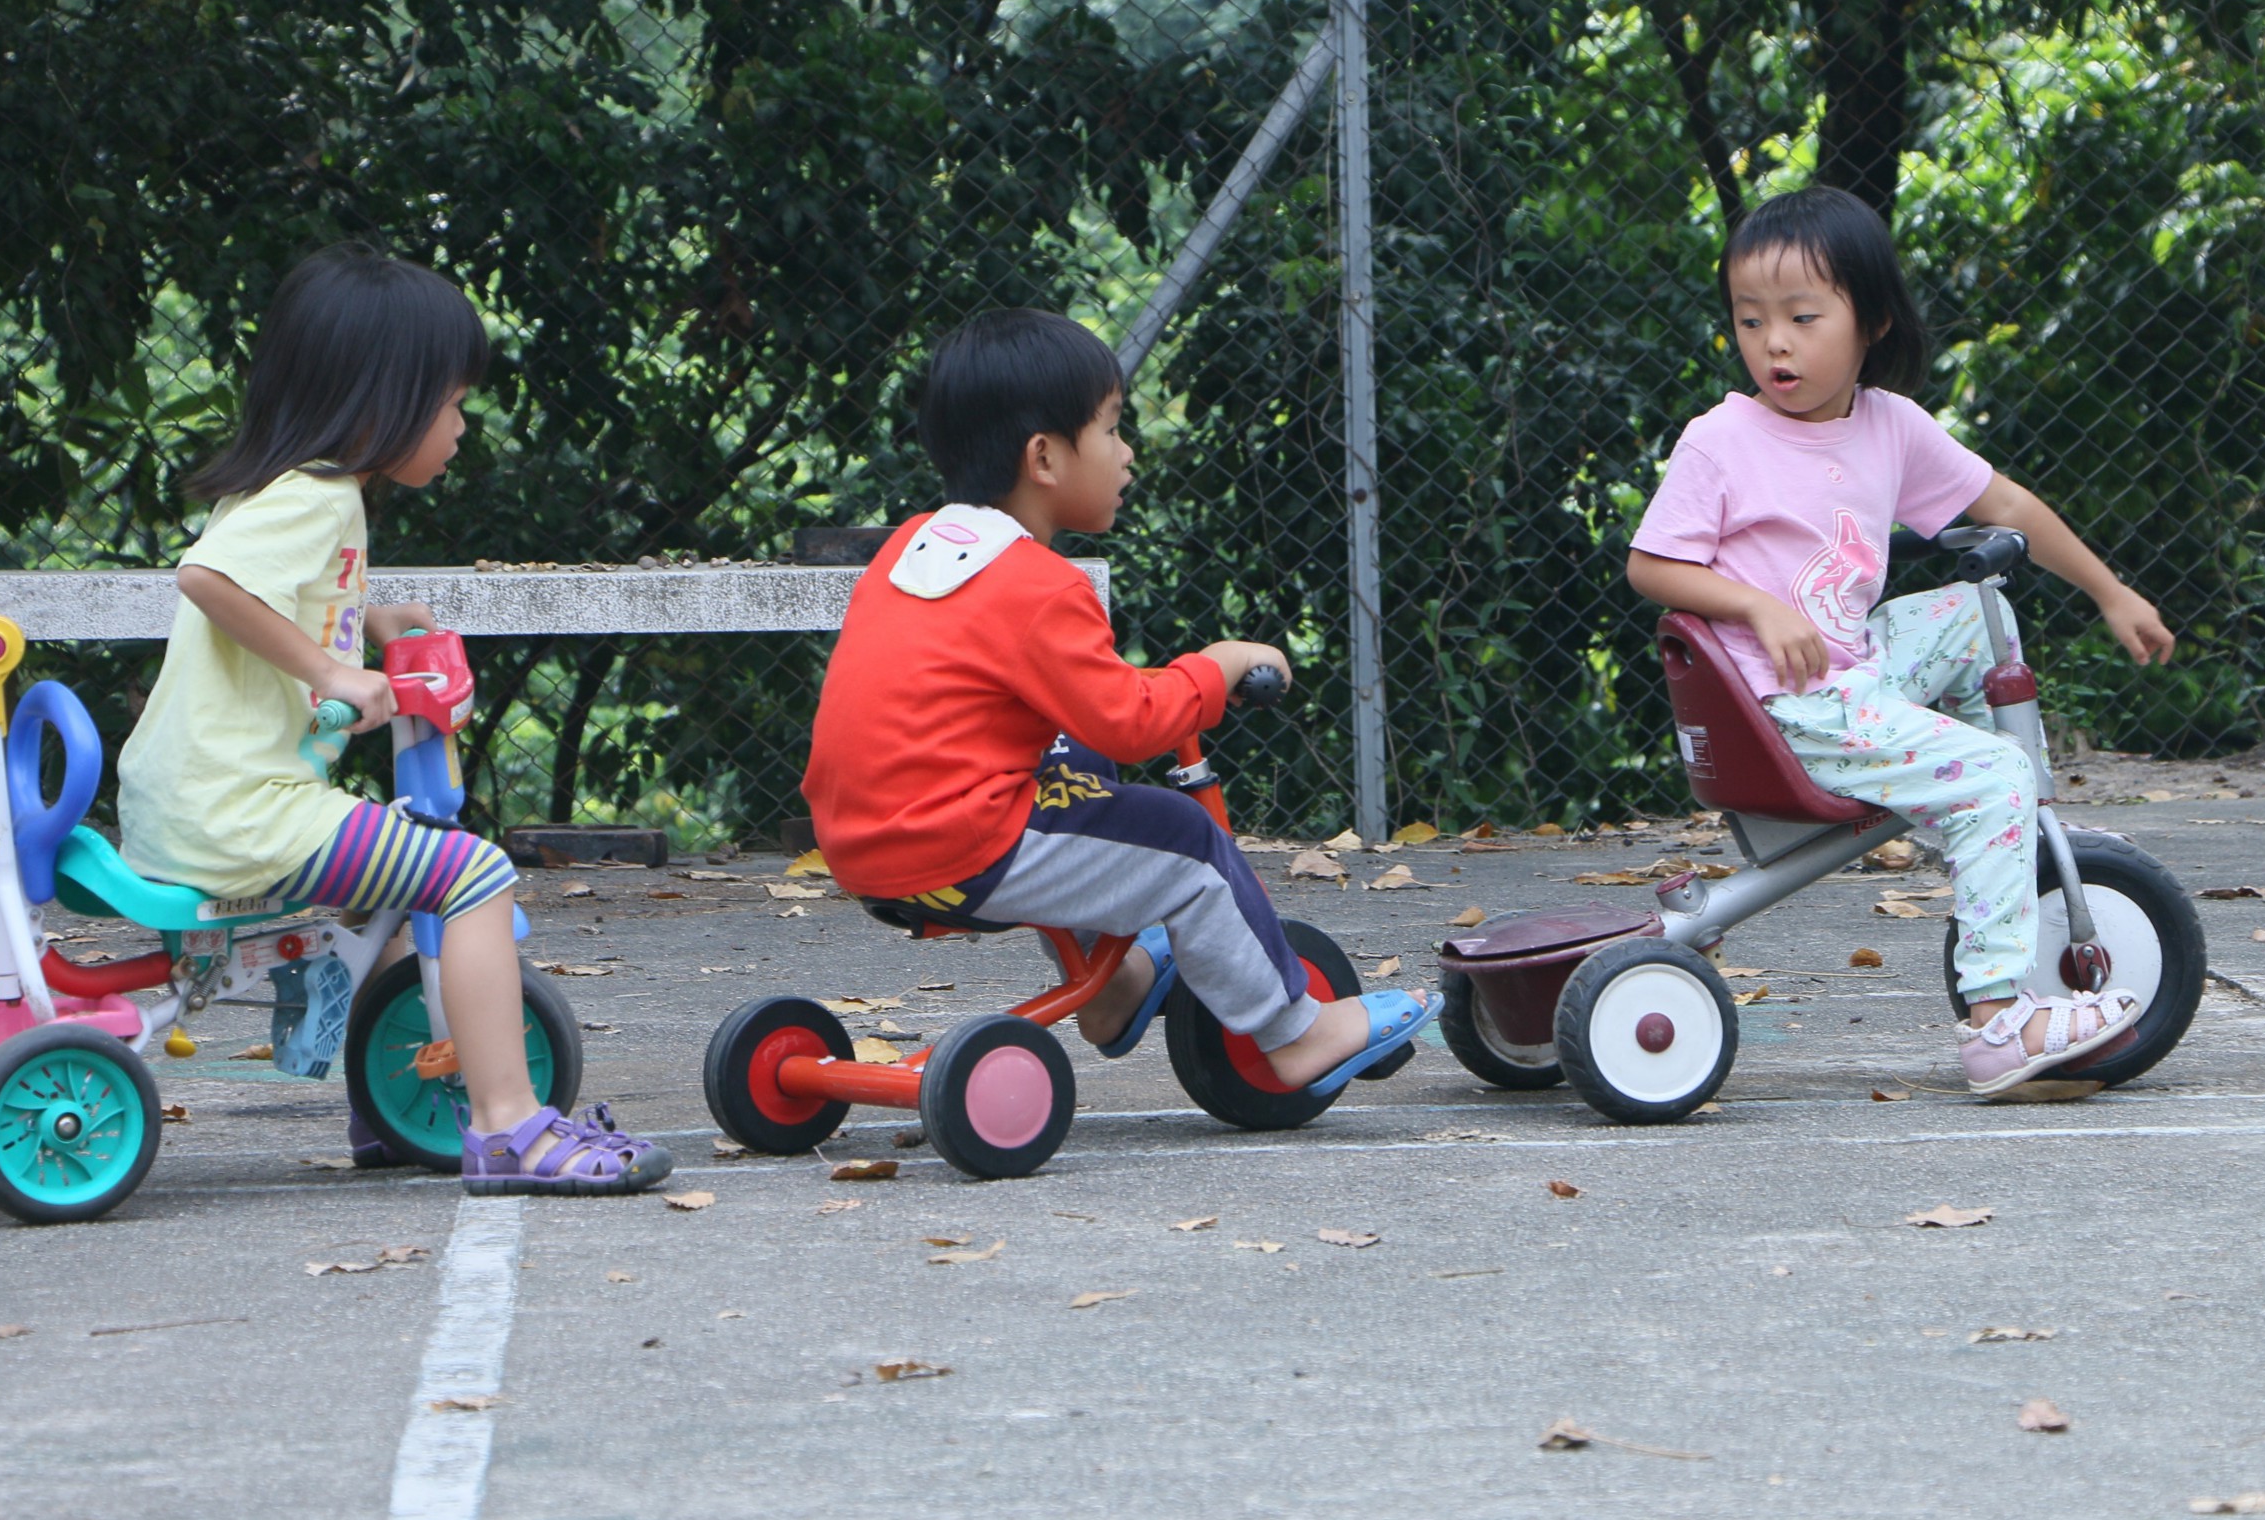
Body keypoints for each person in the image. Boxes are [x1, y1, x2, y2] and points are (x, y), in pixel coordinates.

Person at [117, 242, 671, 1193]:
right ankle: (509, 1126)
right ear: (384, 401)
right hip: (245, 810)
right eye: (452, 401)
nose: (462, 421)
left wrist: (368, 620)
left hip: (196, 799)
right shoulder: (315, 496)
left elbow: (272, 587)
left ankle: (388, 1111)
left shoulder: (295, 492)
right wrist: (336, 668)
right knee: (473, 873)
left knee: (395, 889)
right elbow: (206, 579)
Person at [1625, 186, 2177, 1098]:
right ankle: (2000, 1016)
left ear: (1870, 320)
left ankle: (1954, 810)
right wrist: (1758, 607)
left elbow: (2004, 505)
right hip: (1791, 702)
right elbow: (1651, 566)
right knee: (1999, 774)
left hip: (1851, 669)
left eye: (1803, 317)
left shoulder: (1887, 424)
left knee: (1976, 613)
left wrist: (2111, 591)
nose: (1775, 343)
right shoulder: (1722, 440)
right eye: (1751, 319)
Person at [804, 310, 1431, 1091]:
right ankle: (1297, 1030)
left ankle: (1118, 987)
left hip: (863, 846)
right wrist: (1213, 667)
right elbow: (1133, 722)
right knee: (1183, 841)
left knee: (1070, 760)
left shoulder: (914, 546)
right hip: (958, 847)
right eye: (1110, 429)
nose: (1127, 453)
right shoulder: (1038, 584)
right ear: (1044, 457)